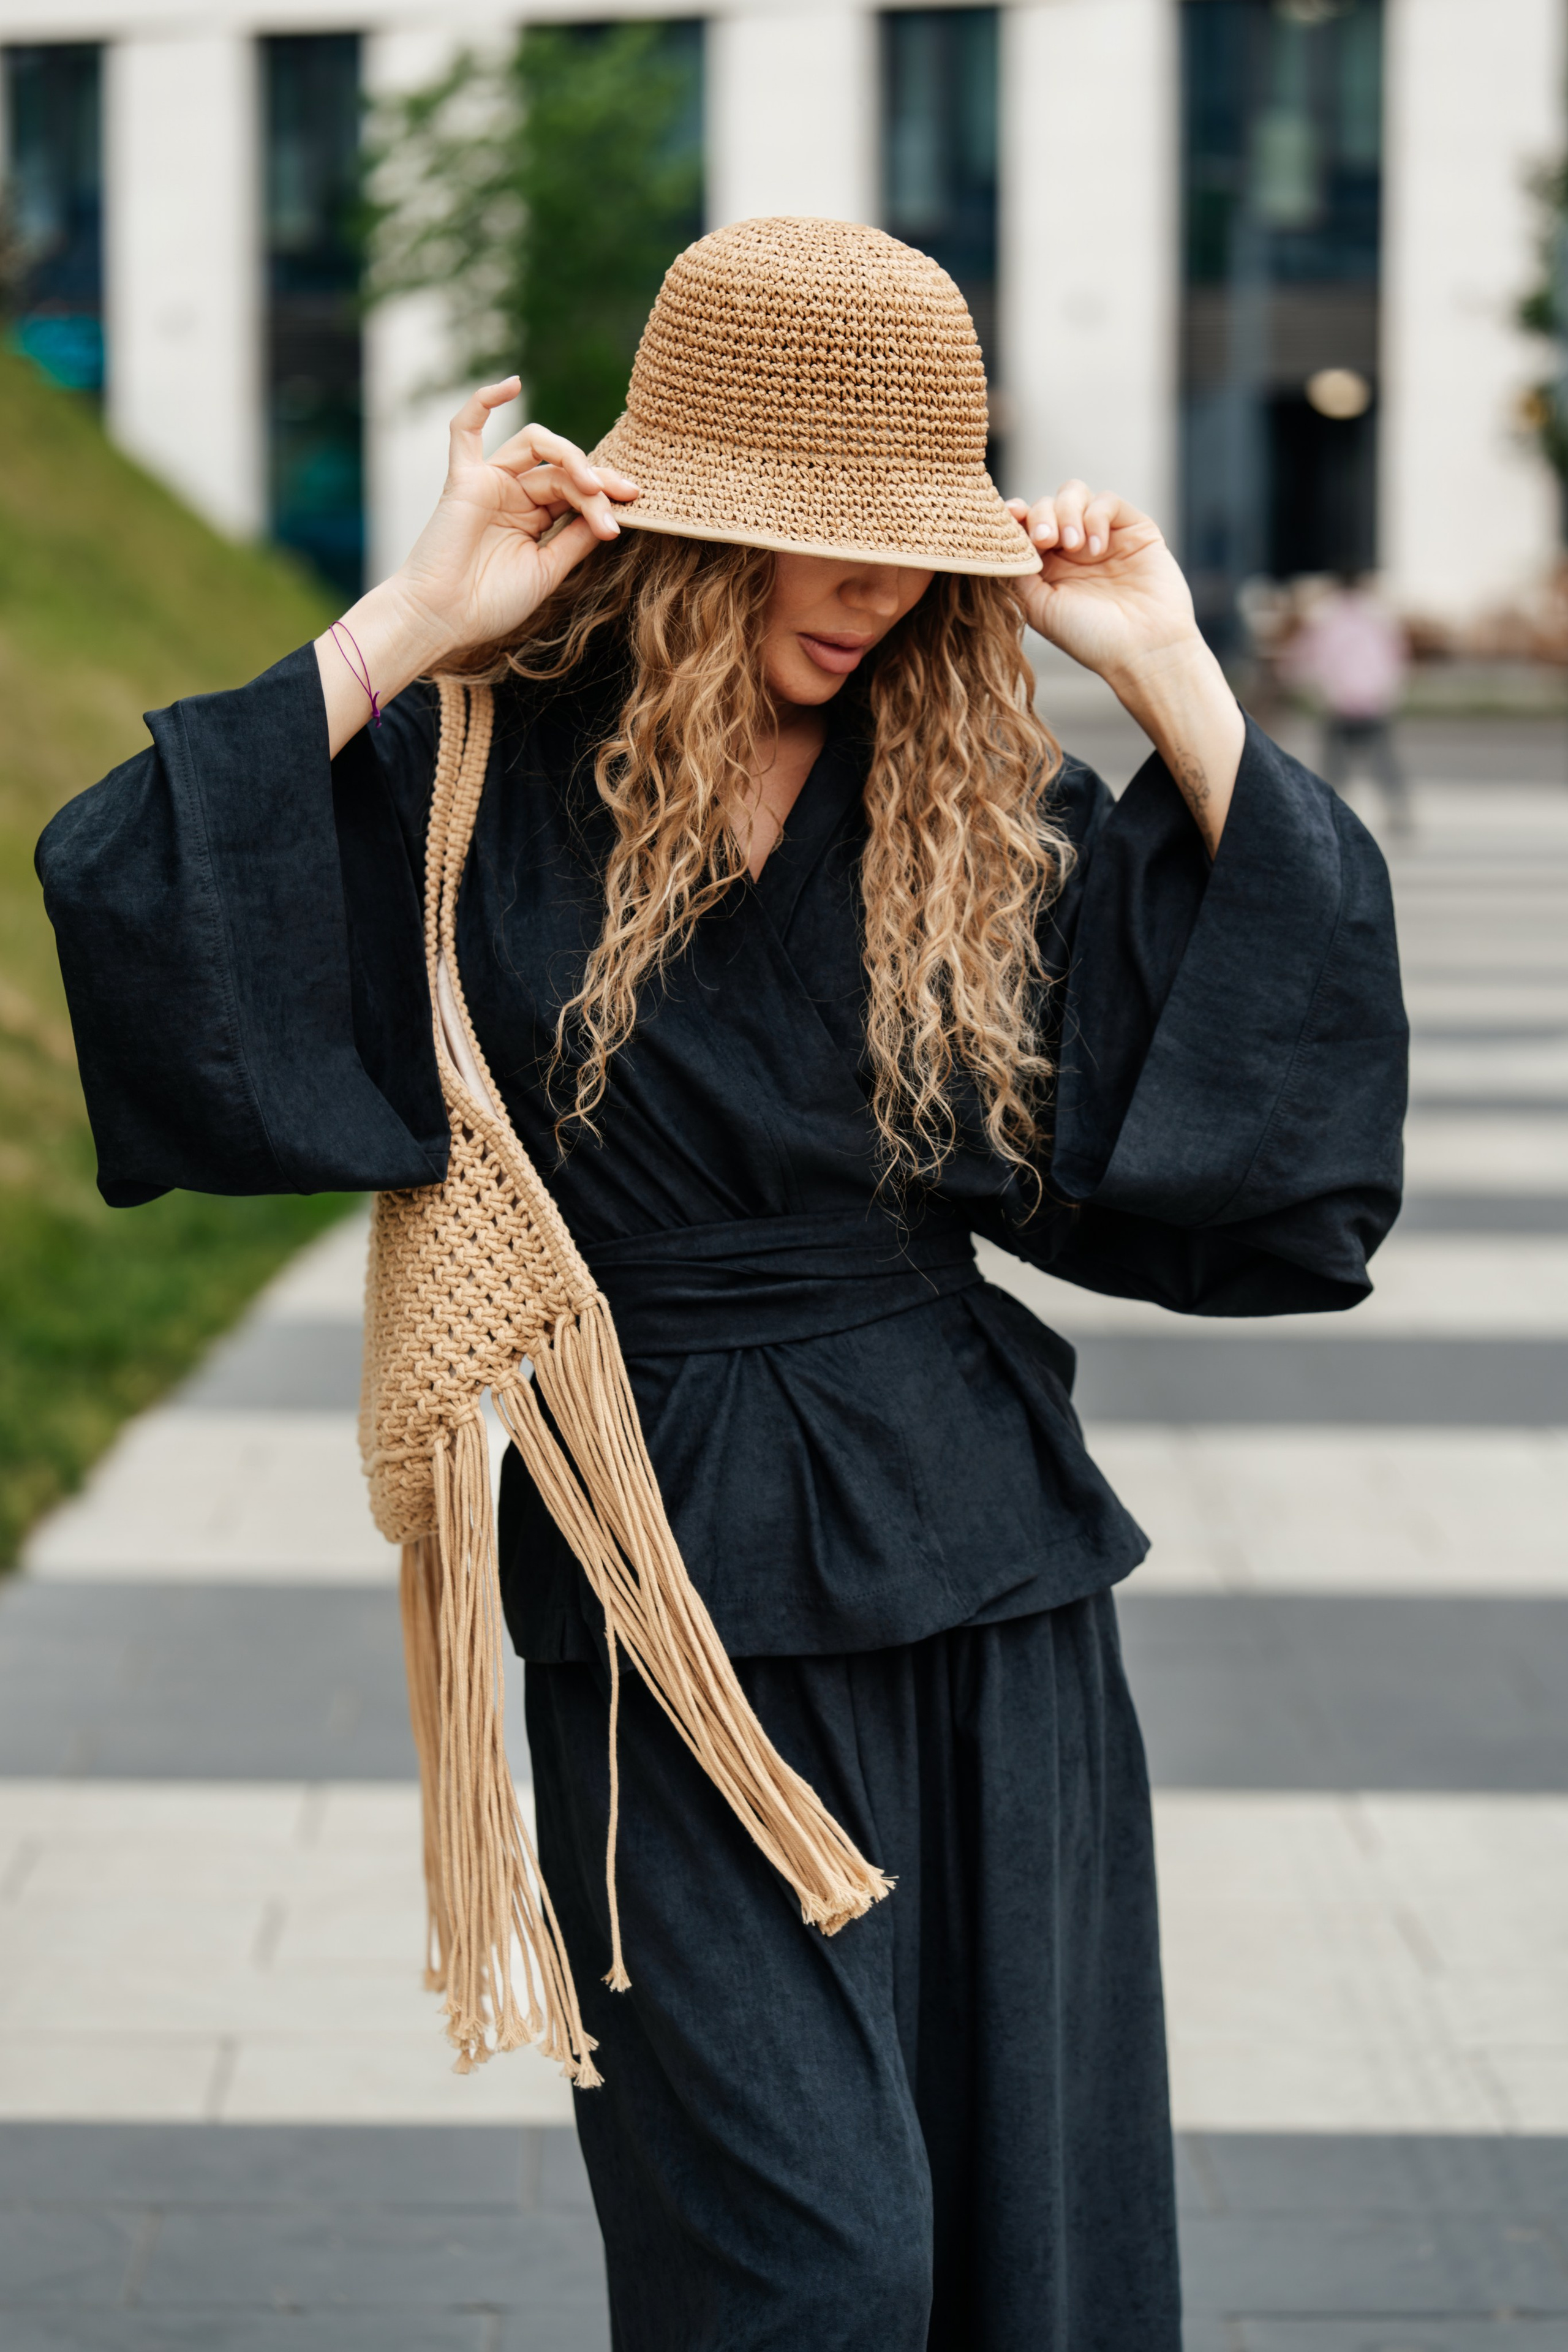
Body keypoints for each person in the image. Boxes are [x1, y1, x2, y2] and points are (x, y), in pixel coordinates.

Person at [37, 219, 1406, 2351]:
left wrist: (1163, 666)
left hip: (980, 1565)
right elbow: (134, 892)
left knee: (1016, 2239)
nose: (877, 595)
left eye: (911, 547)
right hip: (649, 1568)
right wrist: (408, 617)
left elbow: (1257, 1127)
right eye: (818, 541)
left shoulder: (966, 794)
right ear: (688, 525)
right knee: (811, 2269)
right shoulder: (479, 768)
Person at [1284, 570, 1412, 833]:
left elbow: (1308, 657)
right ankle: (1398, 814)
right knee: (1383, 765)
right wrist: (1390, 691)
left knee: (1335, 770)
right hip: (1372, 702)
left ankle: (1325, 817)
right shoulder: (1377, 618)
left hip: (1339, 704)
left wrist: (1301, 683)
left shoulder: (1326, 618)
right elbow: (1395, 658)